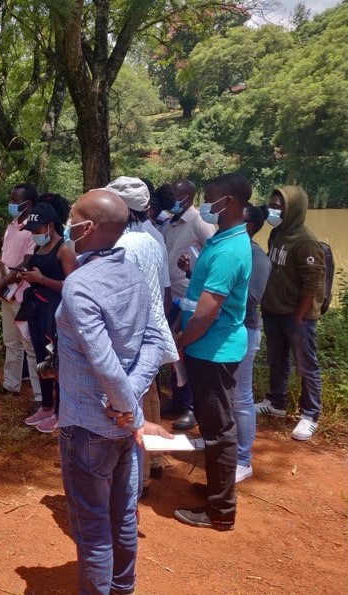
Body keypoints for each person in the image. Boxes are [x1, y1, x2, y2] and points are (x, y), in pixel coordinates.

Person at [57, 189, 170, 595]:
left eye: (72, 218)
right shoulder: (135, 274)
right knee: (123, 518)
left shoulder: (79, 286)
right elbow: (157, 341)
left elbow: (104, 363)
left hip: (86, 428)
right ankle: (124, 589)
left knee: (93, 531)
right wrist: (130, 407)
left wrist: (124, 406)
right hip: (123, 428)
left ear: (87, 228)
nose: (68, 225)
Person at [173, 173, 252, 531]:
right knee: (213, 422)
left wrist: (183, 340)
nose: (206, 203)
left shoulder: (231, 250)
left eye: (213, 198)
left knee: (220, 428)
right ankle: (216, 489)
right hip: (208, 346)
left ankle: (221, 510)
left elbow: (208, 310)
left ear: (231, 202)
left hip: (214, 349)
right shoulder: (223, 238)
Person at [181, 204, 271, 484]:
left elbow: (246, 300)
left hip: (233, 336)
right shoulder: (220, 244)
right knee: (219, 409)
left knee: (239, 401)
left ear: (249, 225)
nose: (208, 207)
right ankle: (218, 460)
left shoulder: (249, 254)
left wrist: (183, 338)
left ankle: (242, 460)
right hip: (211, 338)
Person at [107, 177, 179, 496]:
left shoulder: (121, 245)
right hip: (152, 331)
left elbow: (118, 297)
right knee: (149, 396)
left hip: (130, 335)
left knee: (127, 407)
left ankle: (139, 479)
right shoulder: (152, 236)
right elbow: (164, 291)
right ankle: (155, 460)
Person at [256, 186, 326, 441]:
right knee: (277, 360)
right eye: (273, 204)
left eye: (280, 206)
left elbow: (312, 283)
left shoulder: (305, 241)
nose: (274, 210)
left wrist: (299, 316)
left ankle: (310, 414)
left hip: (297, 316)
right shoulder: (276, 233)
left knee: (306, 366)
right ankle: (276, 402)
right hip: (274, 310)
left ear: (293, 209)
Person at [11, 202, 76, 432]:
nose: (35, 236)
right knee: (41, 359)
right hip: (36, 308)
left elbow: (72, 286)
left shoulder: (65, 249)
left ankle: (61, 411)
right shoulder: (40, 248)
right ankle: (47, 405)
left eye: (37, 231)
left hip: (56, 311)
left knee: (56, 362)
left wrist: (42, 280)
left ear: (50, 226)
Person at [161, 178, 216, 431]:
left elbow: (212, 254)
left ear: (189, 197)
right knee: (175, 352)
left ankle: (193, 407)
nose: (171, 198)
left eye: (175, 194)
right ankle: (179, 400)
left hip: (190, 299)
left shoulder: (200, 223)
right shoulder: (170, 223)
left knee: (190, 352)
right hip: (171, 296)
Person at [0, 184, 43, 400]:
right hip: (6, 293)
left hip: (23, 294)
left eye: (14, 199)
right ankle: (11, 385)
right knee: (11, 342)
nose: (10, 203)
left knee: (29, 346)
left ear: (27, 203)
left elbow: (26, 263)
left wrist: (2, 282)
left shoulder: (33, 229)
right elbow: (4, 260)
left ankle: (40, 397)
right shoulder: (11, 226)